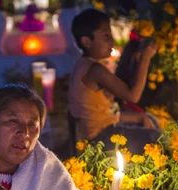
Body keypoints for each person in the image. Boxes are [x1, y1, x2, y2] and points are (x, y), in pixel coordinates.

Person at [68, 8, 161, 154]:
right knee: (155, 139)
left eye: (111, 35)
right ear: (86, 41)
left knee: (149, 119)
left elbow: (105, 113)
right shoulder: (95, 70)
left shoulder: (84, 64)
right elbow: (133, 96)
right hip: (99, 139)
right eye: (106, 36)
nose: (112, 41)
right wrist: (145, 58)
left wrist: (139, 117)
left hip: (103, 129)